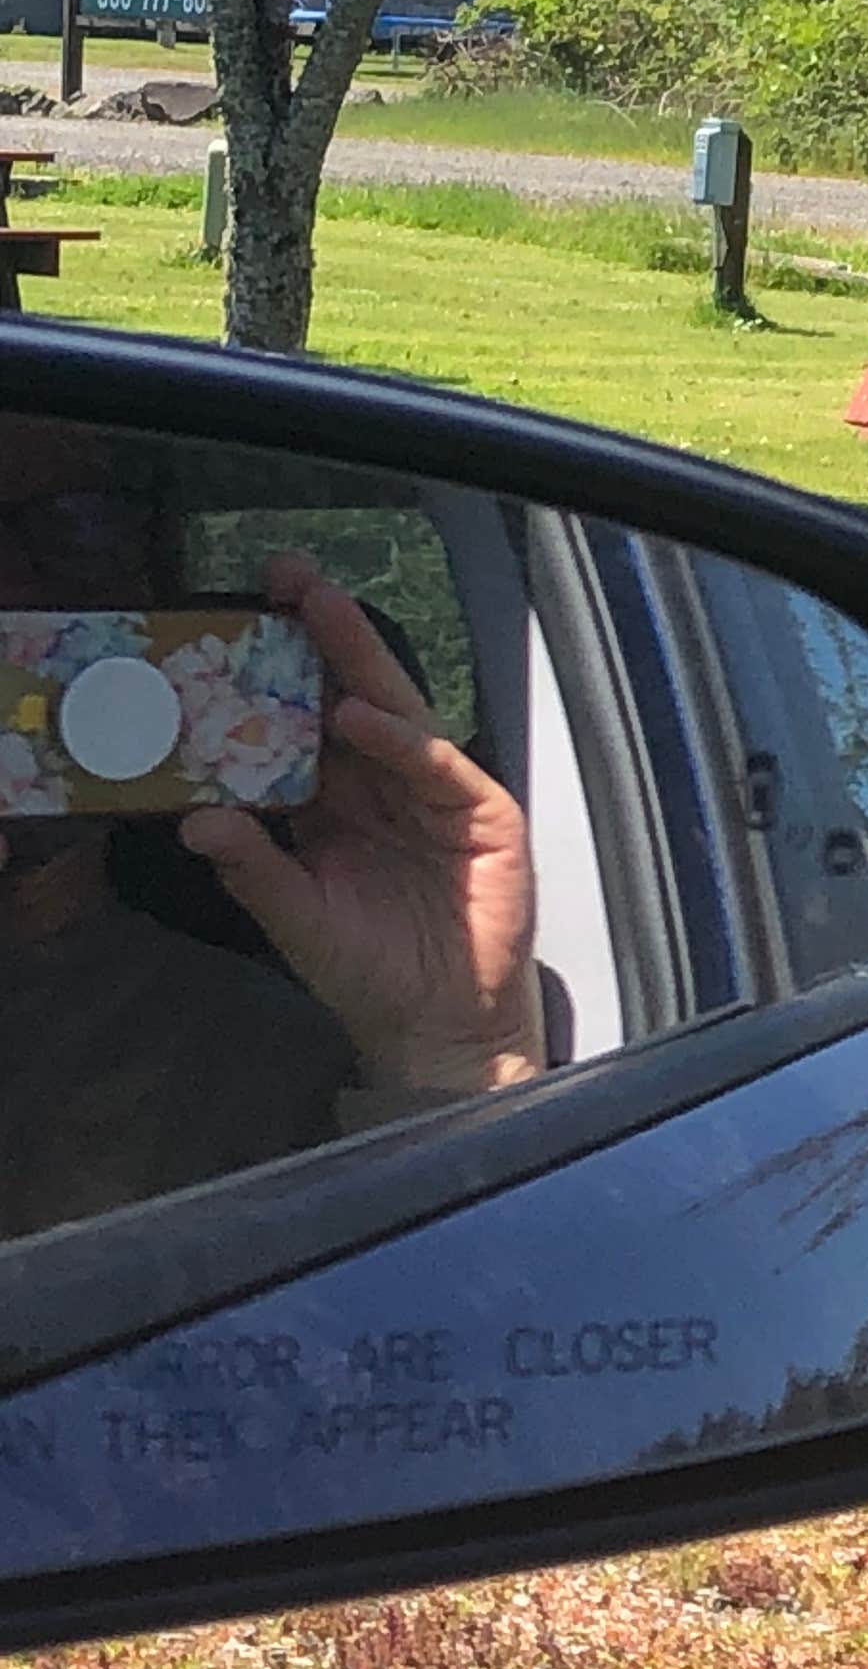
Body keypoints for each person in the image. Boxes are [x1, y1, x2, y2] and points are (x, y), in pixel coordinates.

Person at [0, 427, 539, 1238]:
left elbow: (457, 1326)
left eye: (74, 530)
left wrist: (452, 1058)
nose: (9, 596)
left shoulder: (256, 1061)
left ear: (155, 599)